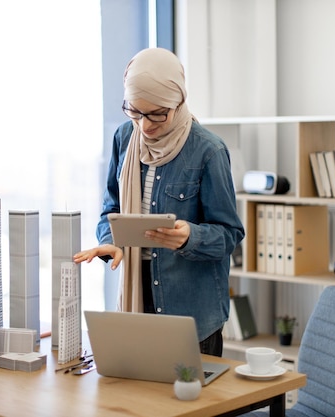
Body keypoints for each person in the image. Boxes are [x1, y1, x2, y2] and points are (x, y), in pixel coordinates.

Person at [73, 48, 244, 356]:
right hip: (136, 304)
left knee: (190, 403)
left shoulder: (209, 151)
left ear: (178, 104)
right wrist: (113, 241)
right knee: (138, 403)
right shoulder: (124, 137)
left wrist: (191, 236)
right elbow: (110, 210)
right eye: (135, 112)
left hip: (191, 314)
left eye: (157, 114)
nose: (145, 126)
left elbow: (230, 235)